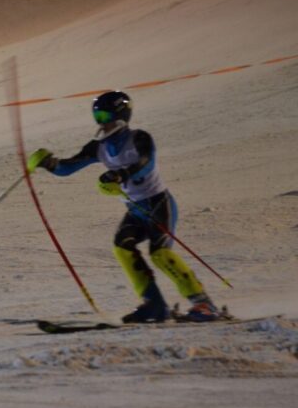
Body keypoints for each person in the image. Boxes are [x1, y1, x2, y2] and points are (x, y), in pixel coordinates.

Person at [27, 90, 220, 323]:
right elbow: (67, 168)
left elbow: (145, 163)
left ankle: (204, 305)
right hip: (136, 210)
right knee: (122, 247)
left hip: (158, 203)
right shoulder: (98, 147)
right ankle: (154, 305)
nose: (101, 123)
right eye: (97, 117)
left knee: (160, 254)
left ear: (120, 115)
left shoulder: (139, 138)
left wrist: (121, 174)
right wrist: (48, 163)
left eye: (105, 117)